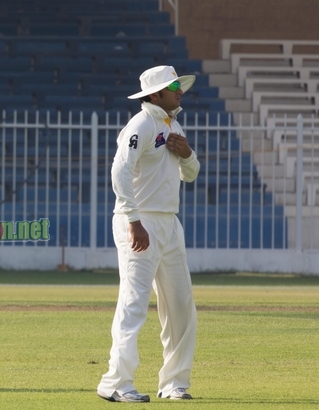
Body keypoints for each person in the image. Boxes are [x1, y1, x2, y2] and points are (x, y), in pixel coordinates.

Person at [97, 65, 200, 403]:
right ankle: (115, 382)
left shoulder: (173, 124)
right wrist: (133, 219)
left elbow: (191, 173)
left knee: (181, 305)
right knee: (134, 303)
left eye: (179, 85)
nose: (179, 90)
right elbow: (119, 169)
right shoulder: (141, 124)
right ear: (155, 95)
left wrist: (187, 155)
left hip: (169, 223)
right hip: (140, 223)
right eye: (173, 86)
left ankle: (173, 383)